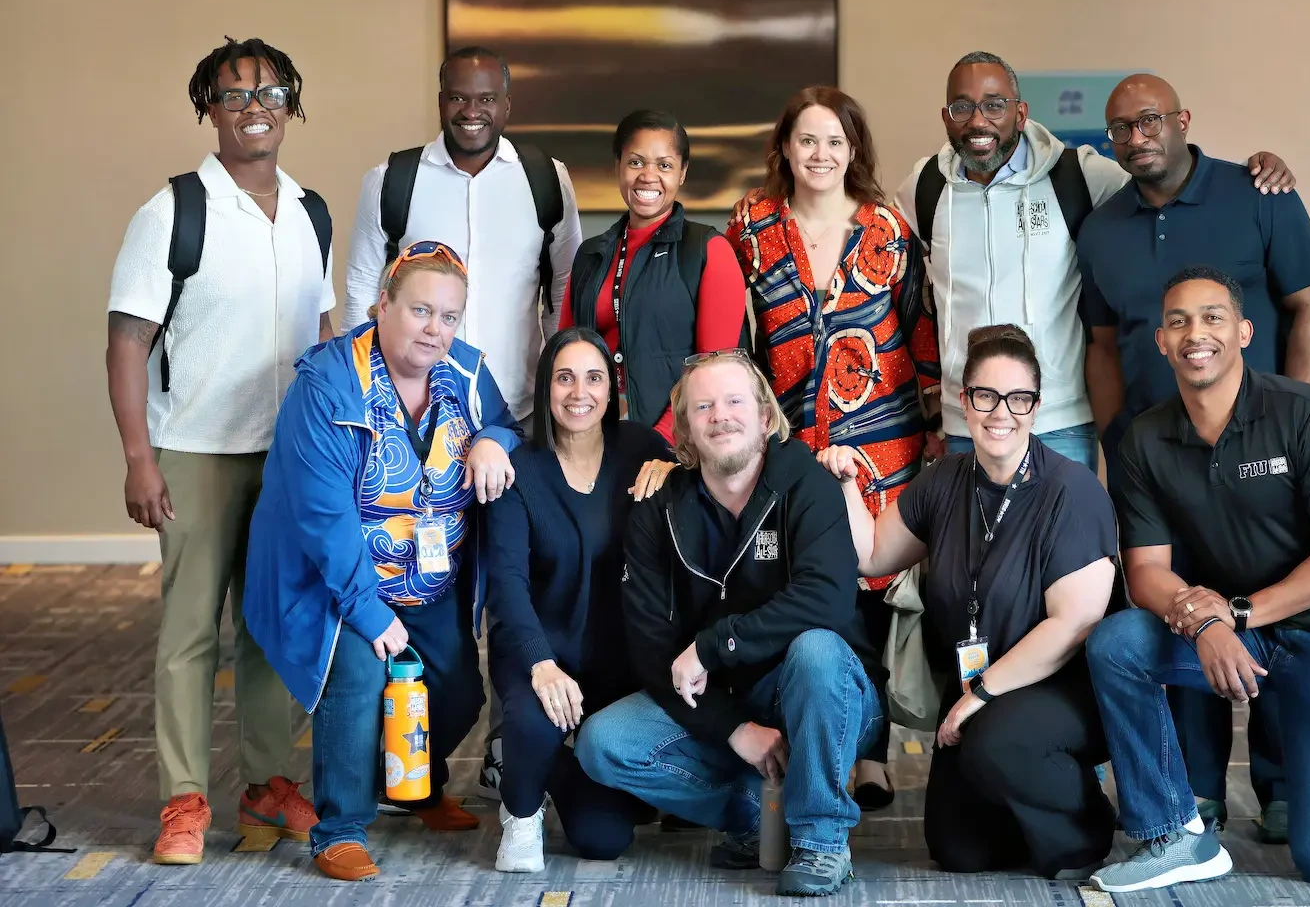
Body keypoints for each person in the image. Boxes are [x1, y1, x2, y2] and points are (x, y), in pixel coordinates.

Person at [1084, 267, 1310, 894]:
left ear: (1244, 332)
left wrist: (1237, 614)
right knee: (1118, 645)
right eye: (1178, 321)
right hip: (1234, 627)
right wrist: (1202, 619)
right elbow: (1146, 569)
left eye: (1212, 317)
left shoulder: (1307, 415)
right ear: (1161, 342)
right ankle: (1172, 834)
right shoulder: (1145, 439)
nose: (1195, 333)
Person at [1080, 73, 1310, 840]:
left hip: (1261, 453)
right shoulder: (1102, 228)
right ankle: (1196, 788)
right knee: (1176, 607)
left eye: (1150, 120)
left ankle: (1284, 784)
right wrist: (1114, 439)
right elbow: (1100, 345)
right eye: (1121, 127)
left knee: (1278, 600)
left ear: (1183, 121)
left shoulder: (1259, 191)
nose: (1136, 137)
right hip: (1156, 460)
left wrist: (1288, 418)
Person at [106, 36, 332, 865]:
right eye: (235, 95)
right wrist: (139, 456)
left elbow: (321, 333)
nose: (255, 107)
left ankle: (269, 788)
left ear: (292, 106)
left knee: (274, 628)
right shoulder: (172, 211)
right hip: (197, 451)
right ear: (208, 107)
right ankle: (184, 801)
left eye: (271, 93)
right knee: (191, 633)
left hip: (289, 458)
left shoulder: (311, 210)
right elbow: (127, 341)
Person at [342, 45, 583, 799]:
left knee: (518, 588)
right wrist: (368, 411)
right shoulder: (394, 182)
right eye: (457, 98)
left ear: (507, 105)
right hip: (409, 427)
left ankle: (516, 744)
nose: (470, 112)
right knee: (417, 591)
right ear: (439, 98)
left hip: (508, 423)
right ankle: (395, 766)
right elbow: (357, 297)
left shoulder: (545, 180)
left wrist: (550, 405)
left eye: (485, 100)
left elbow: (567, 293)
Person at [244, 241, 520, 882]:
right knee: (362, 683)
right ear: (381, 306)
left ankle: (412, 788)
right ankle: (337, 827)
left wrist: (490, 440)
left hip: (431, 577)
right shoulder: (328, 384)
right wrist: (370, 613)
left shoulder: (467, 374)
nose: (435, 329)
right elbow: (324, 520)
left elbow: (510, 425)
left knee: (456, 694)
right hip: (338, 583)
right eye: (420, 310)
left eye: (449, 316)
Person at [574, 351, 885, 898]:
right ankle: (751, 814)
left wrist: (714, 645)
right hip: (722, 702)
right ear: (687, 431)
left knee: (817, 649)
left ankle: (821, 840)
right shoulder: (657, 511)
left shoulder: (806, 484)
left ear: (765, 416)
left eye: (736, 401)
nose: (721, 415)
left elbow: (829, 601)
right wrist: (734, 730)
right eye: (703, 407)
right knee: (603, 743)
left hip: (824, 696)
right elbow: (651, 652)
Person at [896, 51, 1296, 470]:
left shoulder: (1078, 175)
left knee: (1067, 536)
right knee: (969, 538)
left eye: (995, 105)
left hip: (1059, 423)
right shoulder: (923, 188)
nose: (978, 121)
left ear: (1020, 112)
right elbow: (881, 257)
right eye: (963, 107)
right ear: (946, 117)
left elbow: (1163, 181)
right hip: (968, 424)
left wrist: (1253, 173)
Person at [820, 324, 1119, 879]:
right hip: (981, 698)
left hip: (1062, 689)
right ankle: (1025, 810)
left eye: (1018, 398)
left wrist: (979, 693)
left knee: (993, 743)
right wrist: (844, 485)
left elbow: (1072, 625)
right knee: (956, 849)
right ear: (965, 401)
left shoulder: (1072, 492)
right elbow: (873, 556)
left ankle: (1084, 833)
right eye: (986, 395)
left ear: (1036, 406)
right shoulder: (944, 480)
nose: (1001, 412)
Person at [727, 85, 940, 809]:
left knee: (876, 585)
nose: (820, 154)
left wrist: (938, 421)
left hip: (885, 435)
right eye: (807, 140)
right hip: (789, 442)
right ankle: (835, 736)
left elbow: (920, 328)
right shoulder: (752, 225)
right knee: (819, 585)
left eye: (835, 142)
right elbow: (738, 334)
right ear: (784, 147)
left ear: (854, 151)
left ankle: (872, 753)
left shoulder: (886, 226)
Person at [483, 327, 675, 871]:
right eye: (564, 378)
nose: (578, 393)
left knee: (605, 838)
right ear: (546, 388)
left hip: (617, 666)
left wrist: (675, 467)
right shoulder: (519, 468)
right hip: (538, 652)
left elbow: (700, 493)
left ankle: (548, 769)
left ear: (611, 389)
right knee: (534, 720)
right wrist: (541, 666)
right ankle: (519, 816)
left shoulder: (642, 450)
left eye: (593, 378)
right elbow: (506, 583)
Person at [561, 110, 746, 444]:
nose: (648, 176)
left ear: (682, 173)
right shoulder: (590, 255)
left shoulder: (707, 251)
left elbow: (714, 371)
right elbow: (564, 355)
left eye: (664, 165)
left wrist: (661, 442)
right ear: (617, 166)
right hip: (594, 443)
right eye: (636, 162)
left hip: (679, 448)